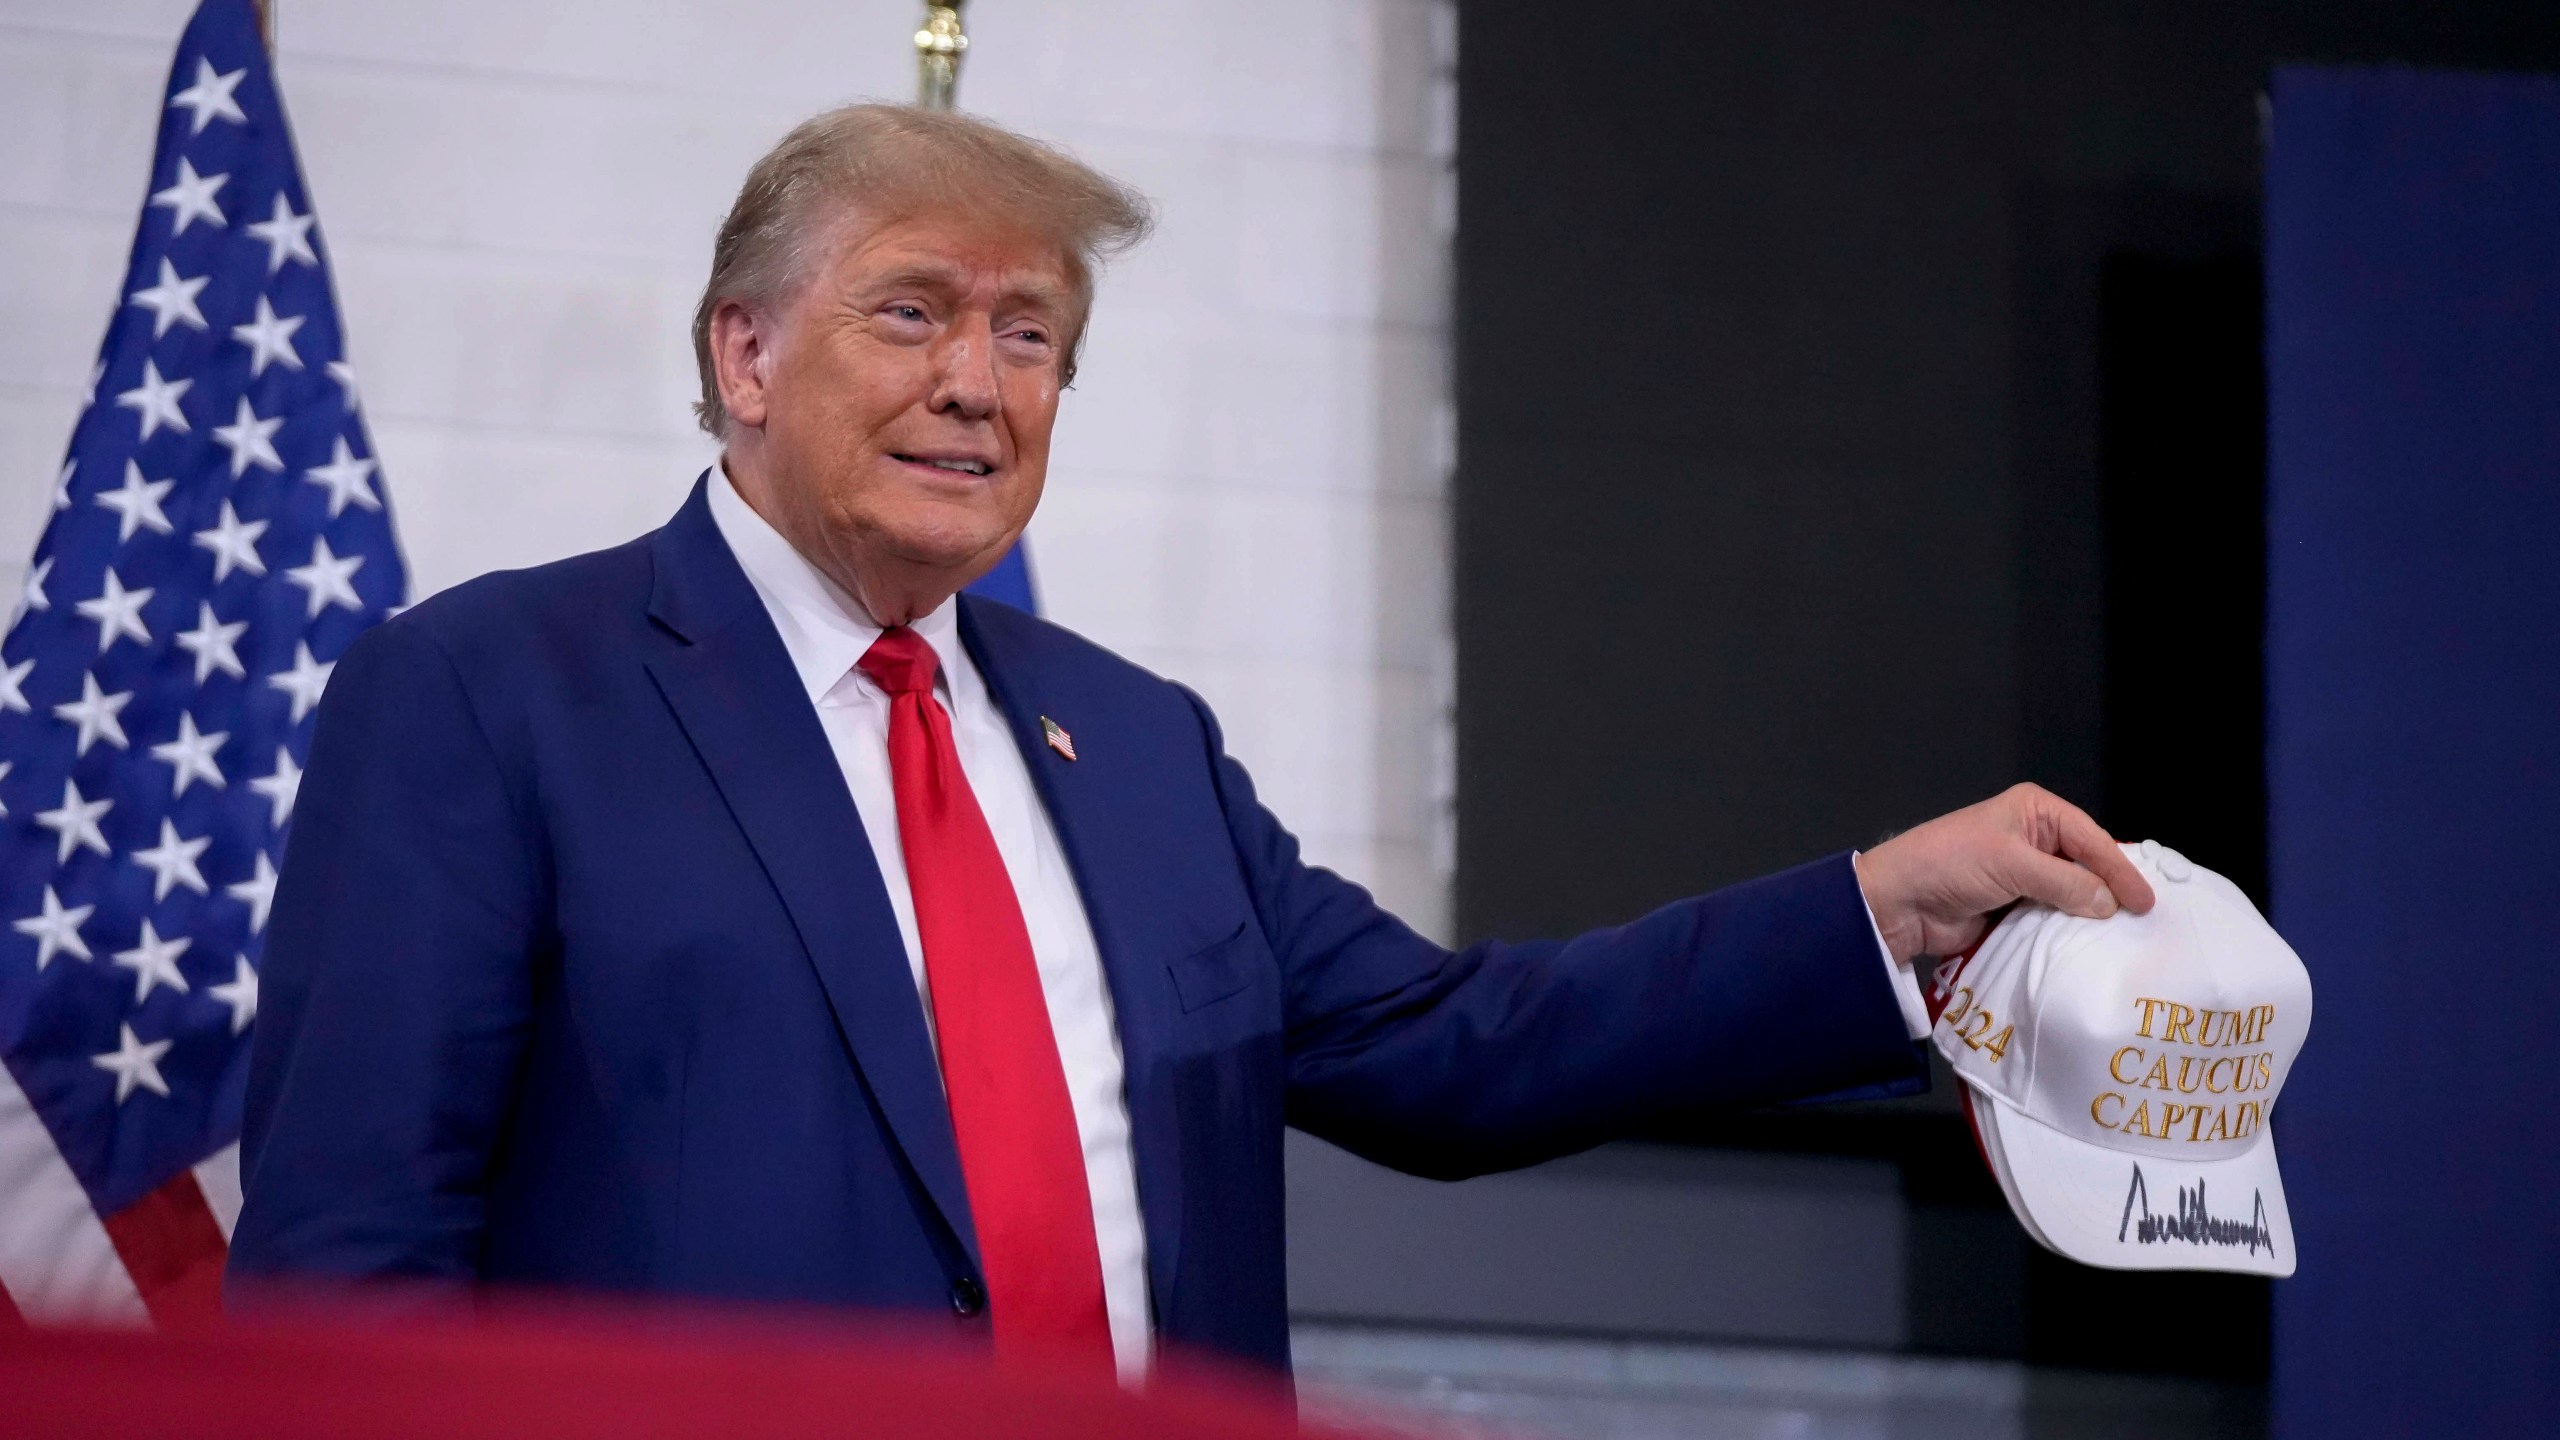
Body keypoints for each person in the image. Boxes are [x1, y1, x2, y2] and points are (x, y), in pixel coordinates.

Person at [229, 105, 2154, 1378]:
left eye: (1032, 334)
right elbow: (351, 1259)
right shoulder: (489, 694)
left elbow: (1459, 1053)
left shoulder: (1136, 752)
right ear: (744, 352)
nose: (976, 384)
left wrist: (1872, 918)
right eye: (910, 313)